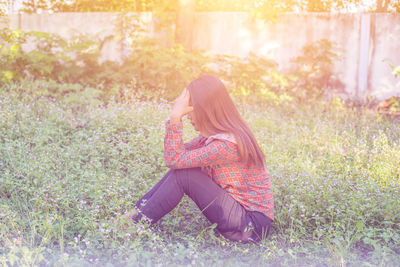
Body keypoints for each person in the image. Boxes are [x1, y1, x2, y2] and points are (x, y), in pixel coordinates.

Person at [121, 75, 274, 243]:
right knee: (182, 171)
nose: (187, 116)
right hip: (241, 217)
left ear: (205, 109)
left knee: (184, 174)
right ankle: (132, 217)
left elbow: (174, 158)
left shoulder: (226, 145)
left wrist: (175, 118)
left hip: (251, 226)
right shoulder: (213, 137)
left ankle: (132, 226)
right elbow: (178, 156)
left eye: (189, 109)